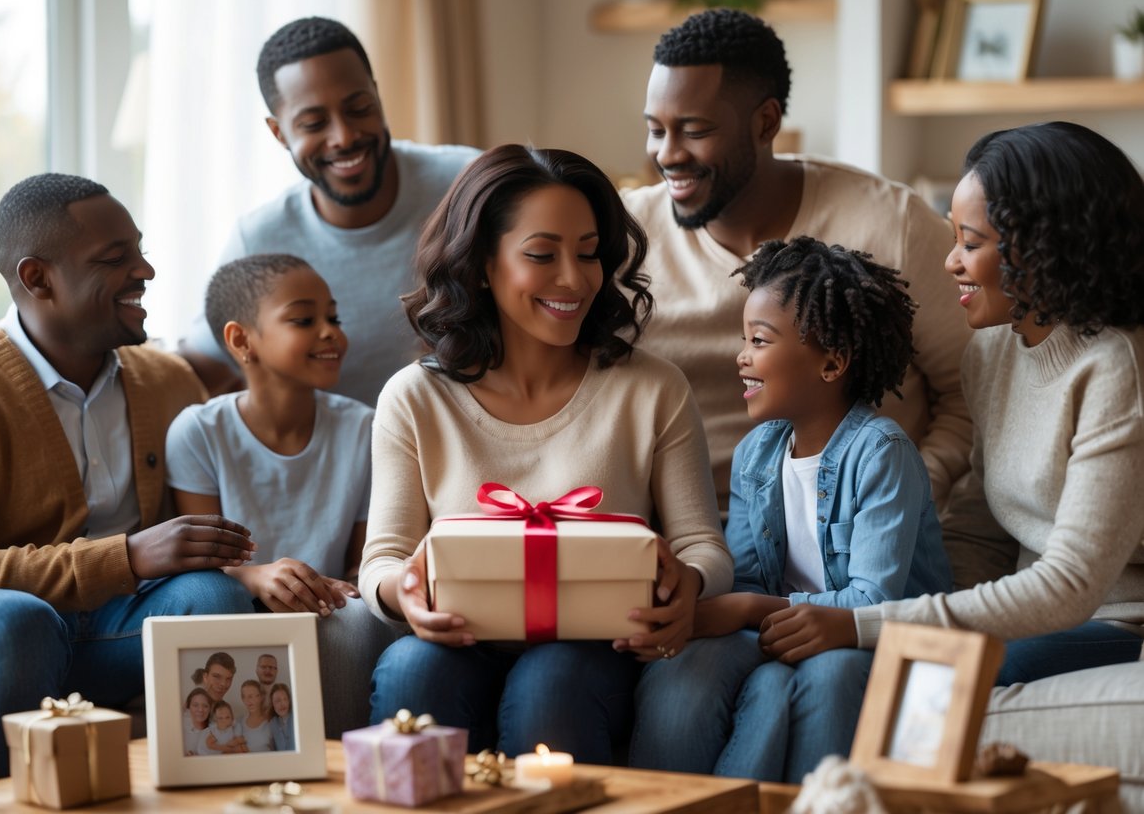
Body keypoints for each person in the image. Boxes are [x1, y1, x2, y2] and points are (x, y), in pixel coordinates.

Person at [757, 121, 1144, 739]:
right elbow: (984, 523)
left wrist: (872, 623)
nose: (950, 262)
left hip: (1113, 622)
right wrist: (896, 608)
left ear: (1042, 247)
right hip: (1037, 614)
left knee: (919, 695)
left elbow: (1071, 585)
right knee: (852, 672)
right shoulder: (992, 352)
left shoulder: (1116, 368)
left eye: (970, 242)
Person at [360, 144, 732, 763]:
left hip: (594, 650)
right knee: (411, 670)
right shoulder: (414, 398)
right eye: (542, 255)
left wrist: (687, 584)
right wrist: (407, 596)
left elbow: (704, 546)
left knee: (552, 683)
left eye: (588, 253)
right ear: (482, 264)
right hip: (456, 642)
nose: (574, 278)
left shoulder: (652, 388)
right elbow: (382, 560)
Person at [0, 173, 256, 782]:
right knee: (17, 621)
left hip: (114, 624)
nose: (145, 272)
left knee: (217, 597)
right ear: (37, 279)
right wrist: (124, 557)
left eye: (141, 251)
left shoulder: (168, 380)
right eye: (115, 258)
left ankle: (212, 797)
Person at [630, 236, 953, 781]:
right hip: (790, 627)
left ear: (831, 363)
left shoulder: (883, 453)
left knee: (822, 678)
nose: (741, 356)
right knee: (686, 664)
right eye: (743, 338)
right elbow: (751, 574)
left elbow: (870, 601)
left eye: (759, 340)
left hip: (875, 635)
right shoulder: (758, 451)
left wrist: (750, 611)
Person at [625, 8, 971, 513]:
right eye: (656, 130)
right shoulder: (623, 235)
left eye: (694, 130)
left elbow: (972, 392)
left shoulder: (892, 222)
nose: (667, 154)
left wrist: (909, 490)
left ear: (766, 122)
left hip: (860, 527)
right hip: (683, 534)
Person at [179, 16, 479, 405]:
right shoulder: (259, 238)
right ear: (279, 133)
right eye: (313, 123)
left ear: (377, 95)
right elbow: (199, 363)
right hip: (343, 464)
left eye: (359, 108)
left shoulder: (466, 183)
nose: (344, 136)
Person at [167, 254, 399, 736]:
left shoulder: (363, 428)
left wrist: (336, 585)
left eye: (333, 317)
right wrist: (257, 578)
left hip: (334, 604)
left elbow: (365, 562)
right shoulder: (198, 432)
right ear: (240, 340)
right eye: (304, 320)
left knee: (351, 624)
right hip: (238, 597)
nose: (330, 332)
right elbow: (203, 564)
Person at [236, 680, 275, 752]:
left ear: (261, 697)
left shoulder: (271, 722)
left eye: (251, 696)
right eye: (244, 697)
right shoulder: (239, 722)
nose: (248, 701)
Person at [182, 687, 213, 756]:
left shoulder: (215, 733)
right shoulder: (181, 731)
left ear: (210, 709)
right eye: (195, 705)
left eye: (205, 706)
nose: (200, 710)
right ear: (188, 707)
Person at [270, 683, 296, 751]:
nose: (282, 704)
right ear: (273, 704)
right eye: (278, 701)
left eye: (285, 699)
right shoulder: (273, 723)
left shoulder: (296, 718)